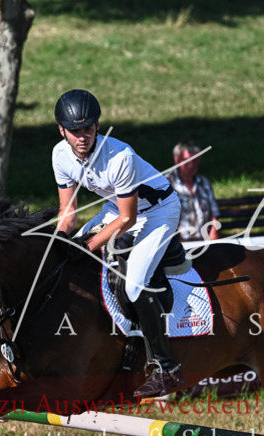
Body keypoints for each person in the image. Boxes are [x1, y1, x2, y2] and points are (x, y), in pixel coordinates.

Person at [52, 89, 184, 398]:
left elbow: (128, 218)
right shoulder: (60, 155)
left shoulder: (121, 156)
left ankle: (166, 368)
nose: (82, 137)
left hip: (157, 212)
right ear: (62, 131)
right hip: (117, 206)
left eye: (88, 128)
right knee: (66, 259)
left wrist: (87, 246)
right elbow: (67, 211)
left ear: (97, 126)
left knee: (134, 285)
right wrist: (57, 242)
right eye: (74, 131)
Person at [164, 140, 221, 241]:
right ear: (177, 160)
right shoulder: (166, 184)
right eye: (187, 160)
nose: (191, 164)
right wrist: (177, 241)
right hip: (179, 242)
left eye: (195, 160)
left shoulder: (204, 183)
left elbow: (214, 214)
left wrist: (213, 236)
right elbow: (164, 217)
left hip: (205, 241)